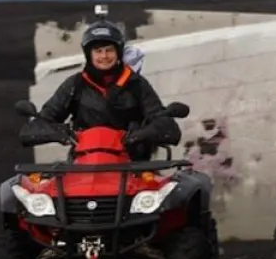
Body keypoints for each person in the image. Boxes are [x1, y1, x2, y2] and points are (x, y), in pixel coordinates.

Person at [22, 20, 181, 160]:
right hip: (84, 164)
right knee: (24, 190)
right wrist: (61, 132)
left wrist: (139, 135)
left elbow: (163, 122)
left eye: (109, 50)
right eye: (98, 51)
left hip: (132, 165)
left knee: (176, 189)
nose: (104, 56)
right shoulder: (75, 84)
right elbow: (40, 123)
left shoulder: (136, 84)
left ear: (118, 52)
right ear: (88, 55)